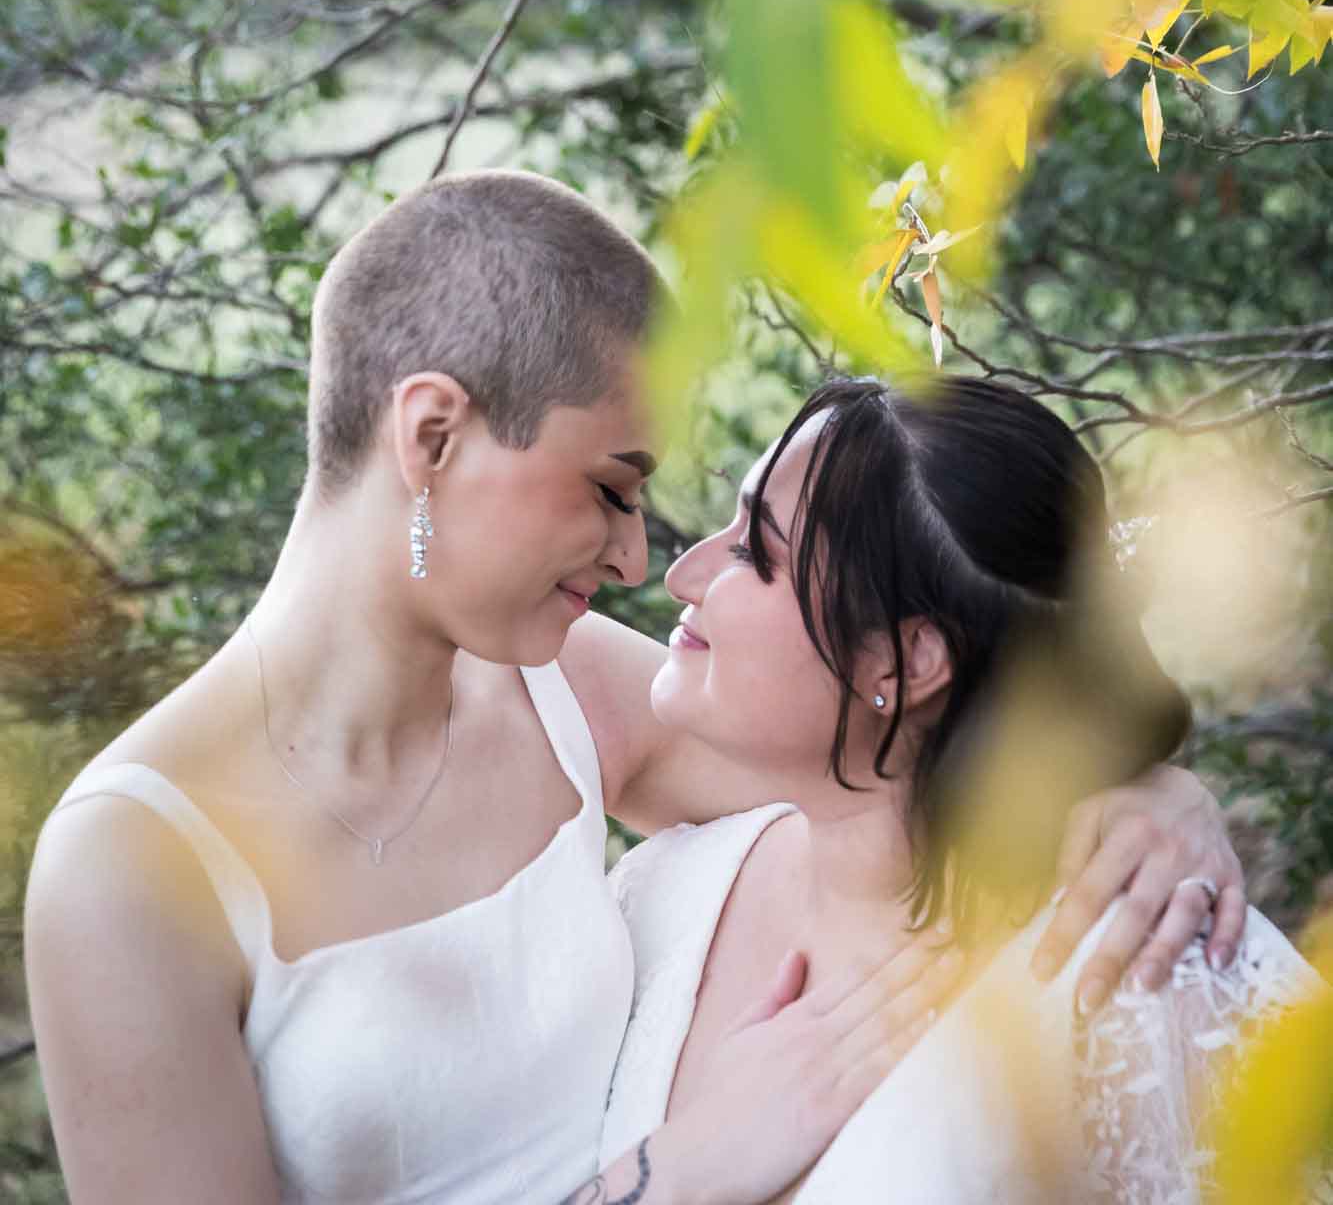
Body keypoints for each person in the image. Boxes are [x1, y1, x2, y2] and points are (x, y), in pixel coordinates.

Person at [25, 173, 1247, 1204]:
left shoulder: (573, 696)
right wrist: (661, 1178)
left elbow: (922, 746)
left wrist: (1149, 799)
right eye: (611, 487)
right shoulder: (130, 869)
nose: (635, 560)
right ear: (433, 436)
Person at [600, 375, 1326, 1204]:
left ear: (905, 664)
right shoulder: (658, 899)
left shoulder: (1144, 967)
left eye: (752, 552)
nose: (682, 573)